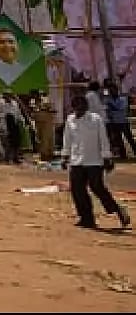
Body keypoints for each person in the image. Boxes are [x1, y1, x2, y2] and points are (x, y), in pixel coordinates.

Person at [62, 94, 130, 229]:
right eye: (76, 108)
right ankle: (86, 218)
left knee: (97, 188)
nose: (79, 111)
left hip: (94, 161)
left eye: (81, 108)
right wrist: (65, 156)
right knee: (77, 190)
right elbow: (67, 139)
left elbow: (103, 139)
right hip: (77, 161)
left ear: (86, 107)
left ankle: (117, 210)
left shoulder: (96, 119)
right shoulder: (70, 120)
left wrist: (107, 157)